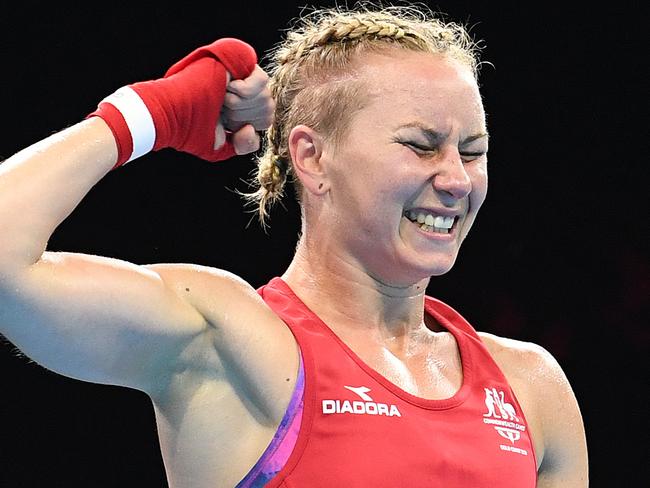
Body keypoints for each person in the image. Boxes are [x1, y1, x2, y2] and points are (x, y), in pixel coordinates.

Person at [0, 4, 588, 487]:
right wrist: (149, 114)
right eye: (420, 145)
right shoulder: (230, 341)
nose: (457, 179)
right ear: (312, 157)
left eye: (472, 150)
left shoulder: (530, 388)